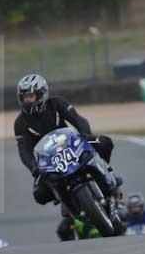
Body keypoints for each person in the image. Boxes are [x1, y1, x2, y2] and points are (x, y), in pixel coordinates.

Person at [13, 74, 123, 236]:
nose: (27, 100)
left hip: (73, 145)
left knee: (104, 142)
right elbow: (24, 149)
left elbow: (78, 120)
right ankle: (64, 199)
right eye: (24, 97)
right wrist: (33, 167)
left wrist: (85, 134)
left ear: (41, 93)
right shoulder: (20, 122)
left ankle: (107, 171)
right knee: (40, 194)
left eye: (30, 96)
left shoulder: (57, 103)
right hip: (49, 160)